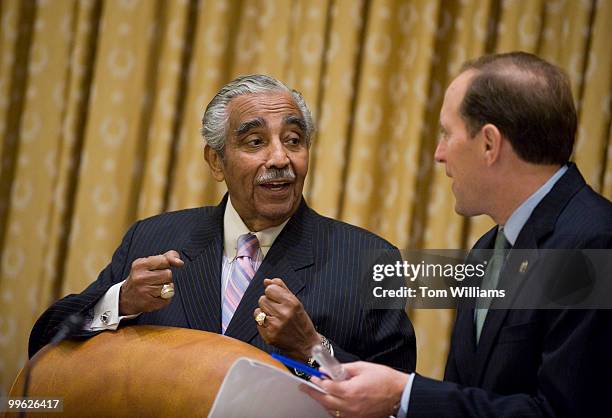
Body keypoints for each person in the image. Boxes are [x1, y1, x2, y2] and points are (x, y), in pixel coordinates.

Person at [28, 74, 416, 373]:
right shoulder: (153, 237)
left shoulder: (368, 259)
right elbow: (45, 342)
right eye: (255, 142)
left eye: (294, 140)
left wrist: (313, 347)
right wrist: (121, 301)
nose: (280, 158)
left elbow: (395, 403)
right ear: (216, 162)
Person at [304, 52, 612, 417]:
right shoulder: (486, 249)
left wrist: (404, 395)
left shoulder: (594, 242)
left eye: (447, 134)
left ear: (489, 144)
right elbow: (469, 395)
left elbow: (563, 412)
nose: (438, 154)